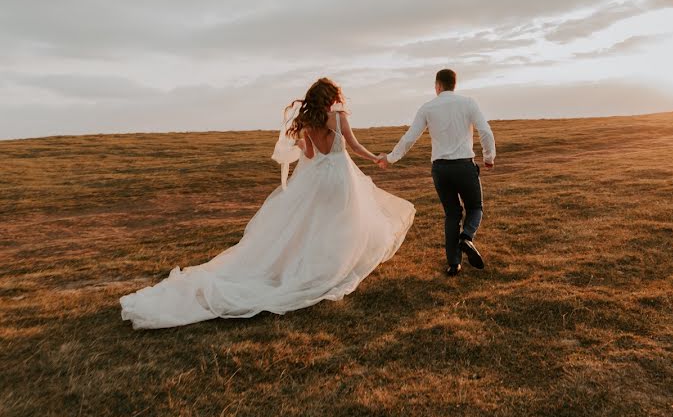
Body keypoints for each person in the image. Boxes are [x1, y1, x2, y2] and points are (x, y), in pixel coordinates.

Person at [120, 78, 415, 329]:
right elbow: (353, 145)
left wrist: (301, 145)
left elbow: (311, 157)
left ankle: (315, 264)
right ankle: (329, 268)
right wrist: (376, 157)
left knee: (316, 224)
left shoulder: (308, 123)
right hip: (340, 177)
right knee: (343, 223)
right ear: (332, 98)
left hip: (319, 180)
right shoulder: (338, 117)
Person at [377, 69, 495, 276]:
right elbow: (485, 130)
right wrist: (488, 158)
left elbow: (409, 138)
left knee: (452, 213)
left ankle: (453, 264)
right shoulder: (468, 103)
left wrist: (390, 157)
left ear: (438, 86)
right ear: (453, 85)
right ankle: (466, 238)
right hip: (464, 166)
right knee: (475, 207)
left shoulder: (427, 108)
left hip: (440, 169)